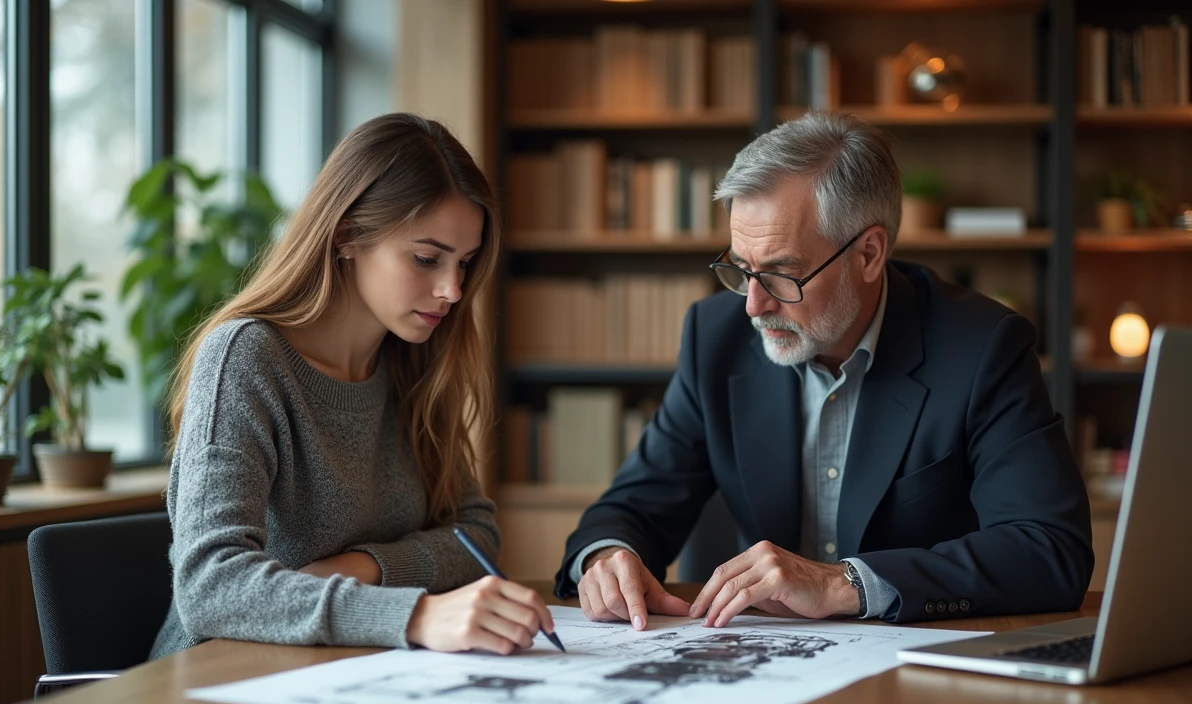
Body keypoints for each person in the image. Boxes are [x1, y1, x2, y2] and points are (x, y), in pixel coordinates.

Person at [557, 111, 1093, 630]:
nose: (753, 306)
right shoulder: (714, 336)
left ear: (869, 254)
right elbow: (634, 504)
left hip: (925, 670)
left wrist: (846, 585)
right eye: (740, 270)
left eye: (782, 275)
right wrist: (608, 556)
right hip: (765, 667)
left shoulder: (982, 347)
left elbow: (1050, 548)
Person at [150, 113, 554, 660]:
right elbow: (210, 588)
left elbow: (475, 535)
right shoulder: (247, 357)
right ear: (346, 235)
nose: (453, 290)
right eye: (426, 258)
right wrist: (415, 614)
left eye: (465, 263)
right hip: (226, 681)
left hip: (356, 672)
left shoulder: (414, 362)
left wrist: (361, 569)